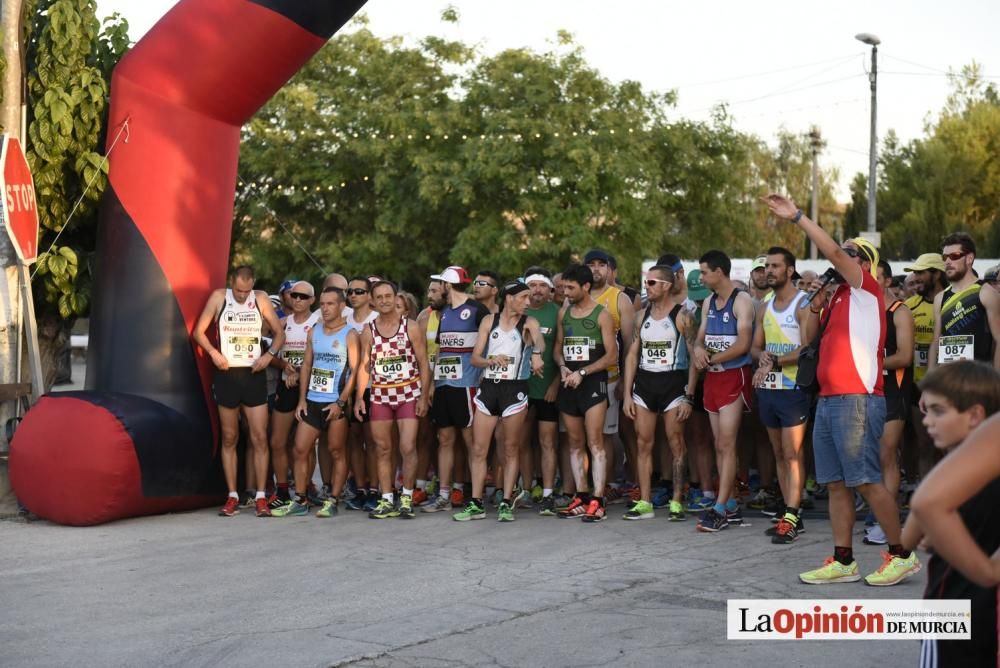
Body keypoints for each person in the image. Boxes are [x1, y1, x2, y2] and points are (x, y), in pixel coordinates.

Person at [763, 194, 920, 586]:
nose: (840, 258)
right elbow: (808, 338)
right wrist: (816, 302)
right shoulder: (837, 301)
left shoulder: (867, 291)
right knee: (835, 483)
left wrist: (797, 216)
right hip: (830, 399)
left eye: (850, 254)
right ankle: (843, 559)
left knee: (865, 479)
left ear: (863, 264)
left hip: (858, 399)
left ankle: (901, 554)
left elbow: (833, 250)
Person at [900, 362, 1000, 666]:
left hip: (953, 604)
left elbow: (909, 535)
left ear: (975, 416)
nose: (927, 421)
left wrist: (988, 572)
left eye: (937, 411)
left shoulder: (950, 473)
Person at [192, 265, 285, 518]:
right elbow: (198, 332)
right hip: (227, 374)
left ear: (253, 284)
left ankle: (261, 497)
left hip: (253, 374)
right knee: (230, 437)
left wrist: (269, 357)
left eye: (246, 290)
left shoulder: (261, 299)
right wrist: (213, 353)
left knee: (258, 437)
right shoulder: (219, 297)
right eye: (238, 290)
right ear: (231, 283)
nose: (242, 296)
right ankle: (232, 495)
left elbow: (278, 333)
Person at [454, 280, 545, 521]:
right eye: (524, 297)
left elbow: (541, 342)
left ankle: (506, 501)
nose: (529, 302)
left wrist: (536, 354)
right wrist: (491, 360)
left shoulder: (529, 322)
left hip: (514, 389)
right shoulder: (489, 322)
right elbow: (475, 359)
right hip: (489, 388)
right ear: (509, 298)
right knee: (479, 448)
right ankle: (476, 502)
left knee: (510, 447)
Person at [271, 287, 358, 517]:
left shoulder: (349, 334)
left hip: (335, 403)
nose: (326, 308)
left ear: (341, 306)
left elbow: (355, 371)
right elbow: (307, 366)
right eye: (323, 303)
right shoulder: (314, 331)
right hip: (312, 400)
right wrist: (301, 400)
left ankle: (333, 499)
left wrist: (341, 403)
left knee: (336, 451)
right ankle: (300, 499)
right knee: (300, 449)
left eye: (331, 304)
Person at [621, 265, 697, 521]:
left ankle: (677, 500)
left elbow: (695, 355)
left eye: (652, 282)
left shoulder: (683, 315)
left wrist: (690, 395)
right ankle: (644, 501)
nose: (647, 287)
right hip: (645, 384)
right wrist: (627, 394)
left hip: (673, 384)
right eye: (646, 282)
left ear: (666, 285)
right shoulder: (641, 316)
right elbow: (632, 355)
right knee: (644, 443)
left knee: (676, 442)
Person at [750, 247, 813, 543]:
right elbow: (754, 346)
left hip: (794, 388)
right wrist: (763, 356)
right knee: (778, 453)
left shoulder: (803, 304)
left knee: (792, 454)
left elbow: (807, 349)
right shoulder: (764, 306)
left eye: (775, 266)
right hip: (769, 388)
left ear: (790, 271)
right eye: (767, 266)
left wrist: (775, 360)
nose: (769, 271)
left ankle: (791, 514)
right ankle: (791, 513)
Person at [354, 281, 431, 519]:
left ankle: (406, 497)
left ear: (394, 297)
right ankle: (386, 498)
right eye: (380, 297)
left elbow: (423, 364)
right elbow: (364, 367)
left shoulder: (411, 327)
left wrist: (424, 396)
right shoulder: (369, 330)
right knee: (383, 448)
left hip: (408, 394)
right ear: (373, 302)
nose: (385, 300)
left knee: (407, 446)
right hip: (380, 396)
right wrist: (359, 397)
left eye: (389, 296)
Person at [691, 250, 754, 532]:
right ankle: (728, 503)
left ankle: (720, 507)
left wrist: (711, 359)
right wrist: (697, 351)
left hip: (732, 375)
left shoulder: (741, 300)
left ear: (719, 271)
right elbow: (700, 338)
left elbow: (743, 344)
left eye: (704, 272)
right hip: (713, 379)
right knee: (719, 444)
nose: (701, 277)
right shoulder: (708, 302)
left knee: (727, 443)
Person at [553, 264, 618, 522]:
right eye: (564, 287)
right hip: (568, 382)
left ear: (586, 286)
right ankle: (580, 496)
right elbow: (558, 347)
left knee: (595, 442)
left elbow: (612, 355)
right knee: (574, 442)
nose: (565, 292)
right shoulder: (564, 312)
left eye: (570, 287)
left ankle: (598, 500)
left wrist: (583, 373)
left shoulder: (602, 315)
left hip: (592, 383)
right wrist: (562, 367)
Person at [423, 266, 490, 512]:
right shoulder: (444, 313)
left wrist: (483, 376)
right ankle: (443, 495)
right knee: (444, 439)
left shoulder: (476, 310)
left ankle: (477, 498)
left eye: (439, 284)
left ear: (447, 286)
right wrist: (431, 384)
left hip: (467, 386)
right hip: (444, 385)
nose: (436, 289)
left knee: (471, 442)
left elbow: (489, 344)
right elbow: (441, 350)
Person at [864, 260, 914, 546]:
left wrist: (871, 363)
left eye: (875, 277)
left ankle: (885, 522)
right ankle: (877, 515)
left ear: (885, 281)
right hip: (868, 391)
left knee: (886, 454)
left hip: (894, 392)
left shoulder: (899, 311)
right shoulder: (865, 313)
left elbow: (905, 356)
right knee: (869, 455)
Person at [267, 280, 319, 506]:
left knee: (304, 446)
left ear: (312, 300)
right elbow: (272, 355)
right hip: (286, 386)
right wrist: (283, 366)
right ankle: (282, 490)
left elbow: (325, 354)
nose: (298, 300)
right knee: (278, 442)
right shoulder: (281, 323)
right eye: (294, 295)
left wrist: (300, 372)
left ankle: (305, 489)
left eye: (303, 296)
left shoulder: (319, 321)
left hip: (311, 388)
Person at [928, 232, 1000, 370]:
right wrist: (930, 383)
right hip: (949, 378)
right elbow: (935, 342)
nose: (948, 262)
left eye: (954, 256)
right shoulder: (940, 298)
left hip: (979, 378)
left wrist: (996, 380)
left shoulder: (986, 293)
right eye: (945, 257)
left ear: (969, 259)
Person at [522, 268, 562, 516]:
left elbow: (564, 351)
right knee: (522, 441)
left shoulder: (558, 313)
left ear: (550, 290)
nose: (537, 290)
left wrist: (556, 382)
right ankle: (526, 489)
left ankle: (548, 493)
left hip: (548, 387)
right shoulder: (517, 312)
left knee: (547, 442)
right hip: (521, 389)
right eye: (532, 285)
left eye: (542, 285)